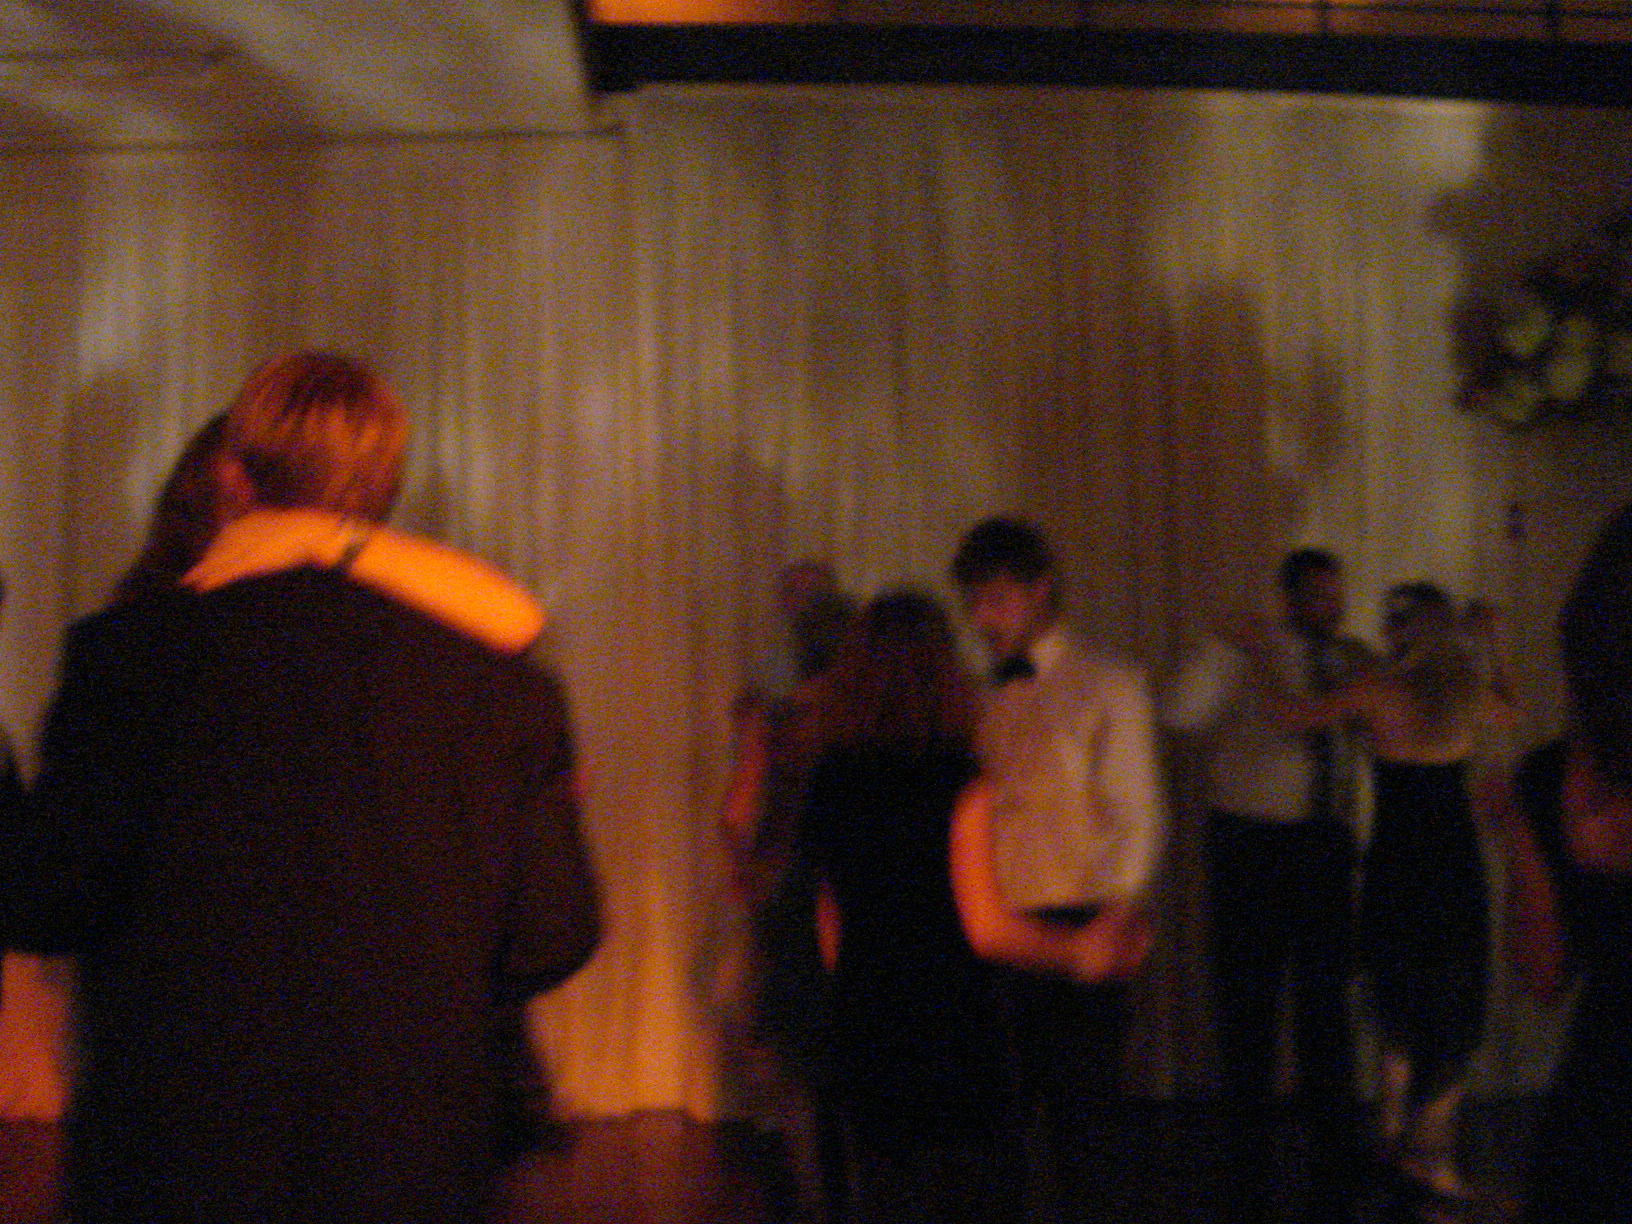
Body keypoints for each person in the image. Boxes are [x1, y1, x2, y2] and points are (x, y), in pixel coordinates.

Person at [1, 351, 601, 1224]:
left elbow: (39, 902)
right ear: (387, 488)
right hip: (415, 1164)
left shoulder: (124, 657)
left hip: (172, 1160)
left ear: (233, 476)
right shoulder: (506, 687)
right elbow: (554, 935)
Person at [949, 517, 1165, 1224]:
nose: (983, 620)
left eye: (997, 600)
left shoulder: (1109, 683)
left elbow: (1136, 813)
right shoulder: (984, 692)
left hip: (1080, 919)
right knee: (998, 1126)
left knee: (1085, 1129)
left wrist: (1117, 917)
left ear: (1041, 590)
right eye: (974, 604)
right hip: (996, 925)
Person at [1282, 582, 1513, 1205]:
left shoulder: (1379, 687)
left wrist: (1260, 661)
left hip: (1397, 860)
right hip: (1451, 863)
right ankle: (1425, 1149)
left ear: (1398, 630)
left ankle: (1396, 1137)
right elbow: (1512, 709)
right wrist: (1493, 641)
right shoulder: (1460, 687)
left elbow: (1293, 714)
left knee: (1398, 991)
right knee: (1450, 998)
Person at [1160, 547, 1373, 1222]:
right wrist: (1223, 649)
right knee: (1246, 1002)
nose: (1331, 608)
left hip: (1325, 843)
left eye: (1336, 596)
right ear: (1289, 598)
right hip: (1250, 846)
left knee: (1326, 1007)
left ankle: (1334, 1158)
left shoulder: (1350, 659)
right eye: (1318, 596)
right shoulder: (1245, 651)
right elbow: (1179, 715)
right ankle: (1245, 1162)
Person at [800, 588, 1017, 1224]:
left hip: (866, 999)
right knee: (962, 1187)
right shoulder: (960, 777)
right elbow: (984, 922)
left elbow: (829, 913)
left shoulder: (831, 775)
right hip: (954, 1005)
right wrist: (1078, 949)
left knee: (882, 1187)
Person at [1490, 503, 1632, 1223]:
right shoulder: (1549, 777)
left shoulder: (1554, 776)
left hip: (1598, 1114)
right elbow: (1542, 976)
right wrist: (1522, 836)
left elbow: (1544, 978)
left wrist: (1523, 835)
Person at [718, 574, 855, 1223]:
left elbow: (738, 812)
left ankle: (811, 1194)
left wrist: (745, 867)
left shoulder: (778, 718)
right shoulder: (877, 720)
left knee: (795, 1047)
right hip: (857, 888)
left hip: (790, 886)